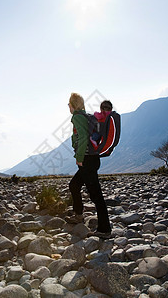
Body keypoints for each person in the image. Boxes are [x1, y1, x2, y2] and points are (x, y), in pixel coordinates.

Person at [66, 93, 112, 239]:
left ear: (73, 105)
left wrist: (79, 158)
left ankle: (104, 229)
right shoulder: (86, 116)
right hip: (92, 159)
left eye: (69, 104)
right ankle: (78, 215)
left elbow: (84, 137)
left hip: (86, 160)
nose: (68, 106)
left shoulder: (77, 117)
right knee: (74, 185)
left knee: (96, 195)